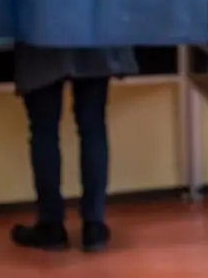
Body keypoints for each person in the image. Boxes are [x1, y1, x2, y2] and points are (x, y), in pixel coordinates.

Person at [9, 44, 139, 252]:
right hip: (90, 33)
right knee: (93, 125)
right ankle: (94, 226)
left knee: (43, 130)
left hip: (41, 30)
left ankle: (51, 226)